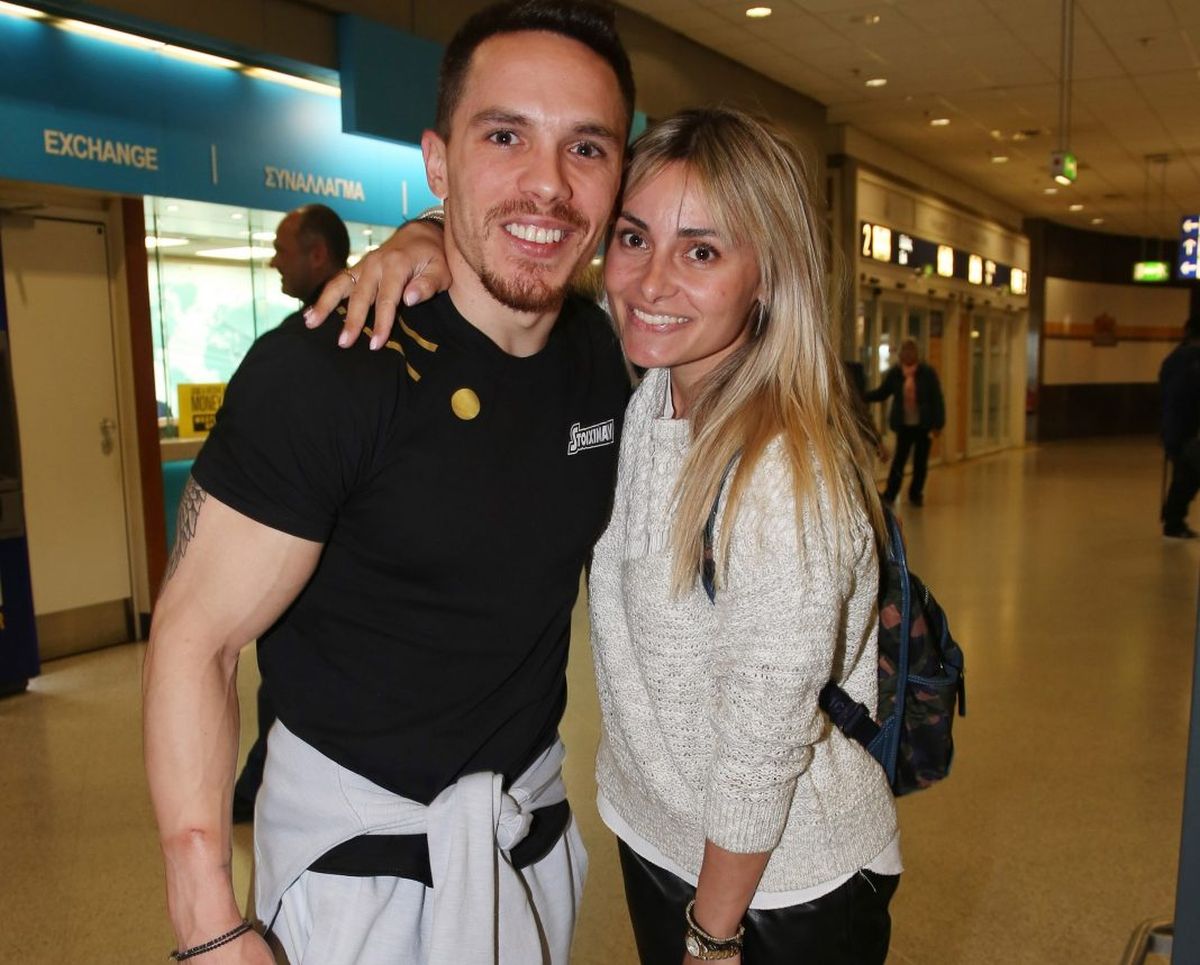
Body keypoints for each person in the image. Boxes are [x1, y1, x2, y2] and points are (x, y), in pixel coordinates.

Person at [327, 106, 902, 965]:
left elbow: (762, 743)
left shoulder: (780, 473)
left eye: (701, 252)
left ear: (768, 276)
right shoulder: (651, 396)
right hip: (663, 842)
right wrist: (424, 235)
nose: (651, 282)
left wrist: (711, 935)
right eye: (635, 238)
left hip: (778, 887)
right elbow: (520, 255)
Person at [142, 2, 634, 963]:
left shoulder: (604, 361)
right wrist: (207, 922)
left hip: (524, 844)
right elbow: (196, 637)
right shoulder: (329, 370)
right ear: (438, 163)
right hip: (351, 868)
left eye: (586, 148)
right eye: (505, 136)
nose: (548, 183)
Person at [231, 203, 352, 824]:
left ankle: (261, 785)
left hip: (319, 573)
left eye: (283, 248)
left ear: (317, 254)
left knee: (286, 683)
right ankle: (260, 781)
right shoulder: (299, 340)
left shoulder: (320, 345)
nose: (274, 261)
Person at [864, 338, 945, 507]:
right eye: (905, 350)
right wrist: (861, 396)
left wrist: (938, 424)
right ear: (900, 354)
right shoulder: (895, 373)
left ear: (917, 353)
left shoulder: (927, 373)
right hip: (904, 425)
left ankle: (916, 494)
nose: (908, 354)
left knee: (920, 463)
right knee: (899, 461)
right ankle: (890, 494)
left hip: (923, 425)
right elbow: (882, 393)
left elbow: (937, 398)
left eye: (911, 350)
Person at [1159, 312, 1200, 539]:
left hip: (1174, 428)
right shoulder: (1193, 360)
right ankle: (1173, 521)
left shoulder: (1173, 359)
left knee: (1186, 476)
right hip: (1186, 430)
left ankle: (1173, 521)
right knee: (1187, 476)